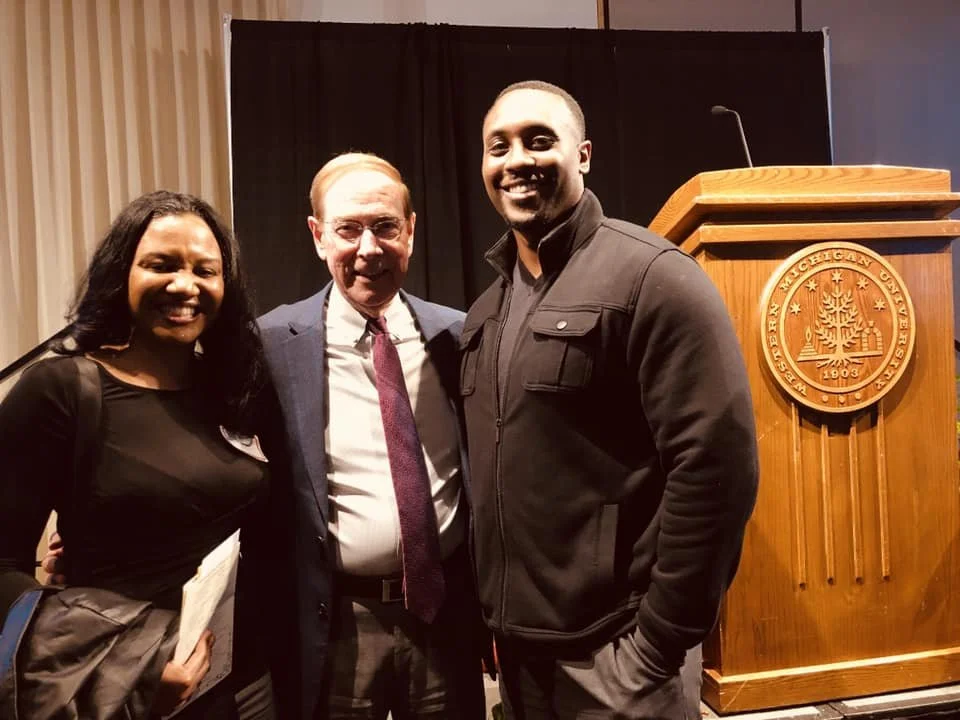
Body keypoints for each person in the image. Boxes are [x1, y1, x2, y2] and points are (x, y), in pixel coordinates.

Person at [459, 80, 760, 719]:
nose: (517, 161)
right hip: (518, 662)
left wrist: (656, 647)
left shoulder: (654, 276)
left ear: (585, 154)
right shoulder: (485, 312)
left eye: (540, 141)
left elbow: (715, 472)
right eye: (498, 147)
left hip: (615, 664)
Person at [0, 191, 276, 718]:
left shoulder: (237, 389)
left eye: (205, 270)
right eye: (161, 265)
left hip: (248, 687)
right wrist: (139, 659)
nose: (184, 285)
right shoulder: (61, 389)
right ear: (121, 273)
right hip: (126, 692)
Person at [257, 152, 487, 720]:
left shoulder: (459, 336)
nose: (368, 249)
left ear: (410, 230)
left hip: (445, 619)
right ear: (317, 236)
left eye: (385, 227)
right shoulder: (270, 346)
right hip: (334, 622)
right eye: (348, 230)